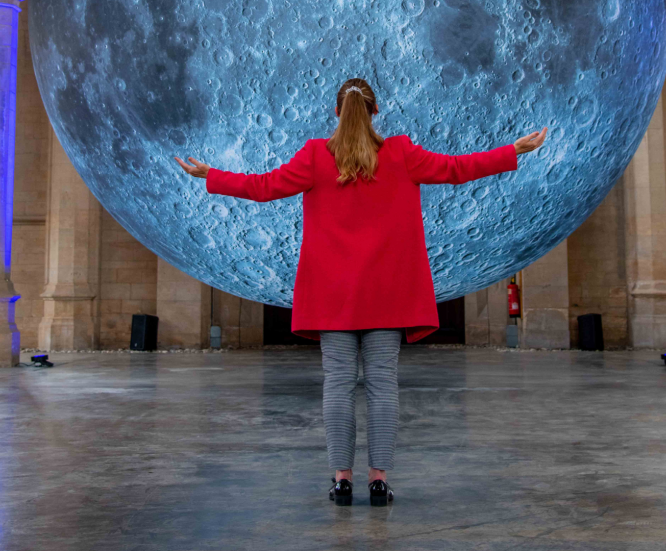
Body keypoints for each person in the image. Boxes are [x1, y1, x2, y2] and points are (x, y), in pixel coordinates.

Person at [175, 77, 547, 507]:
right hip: (388, 297)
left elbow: (263, 188)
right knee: (383, 386)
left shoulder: (316, 156)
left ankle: (341, 480)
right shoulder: (402, 154)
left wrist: (211, 175)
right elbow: (457, 169)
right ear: (376, 112)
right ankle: (378, 481)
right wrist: (513, 151)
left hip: (332, 298)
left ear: (336, 113)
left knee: (337, 385)